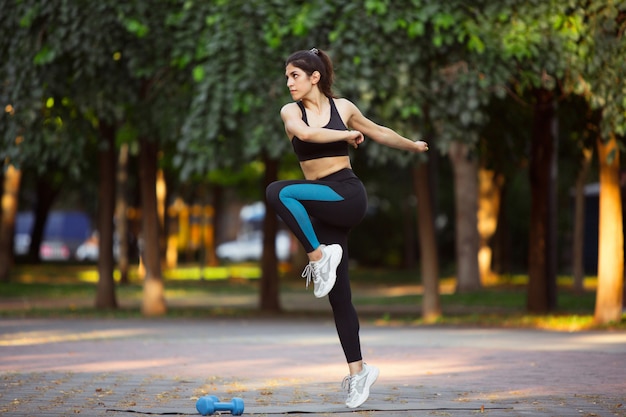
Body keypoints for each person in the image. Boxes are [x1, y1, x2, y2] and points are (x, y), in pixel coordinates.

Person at [265, 48, 429, 408]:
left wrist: (412, 145)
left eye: (294, 75)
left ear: (314, 77)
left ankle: (319, 256)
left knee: (277, 190)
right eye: (287, 76)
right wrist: (343, 137)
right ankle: (359, 373)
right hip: (321, 209)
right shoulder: (291, 111)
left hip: (347, 195)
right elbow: (305, 135)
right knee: (340, 297)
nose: (288, 82)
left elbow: (377, 131)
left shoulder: (344, 108)